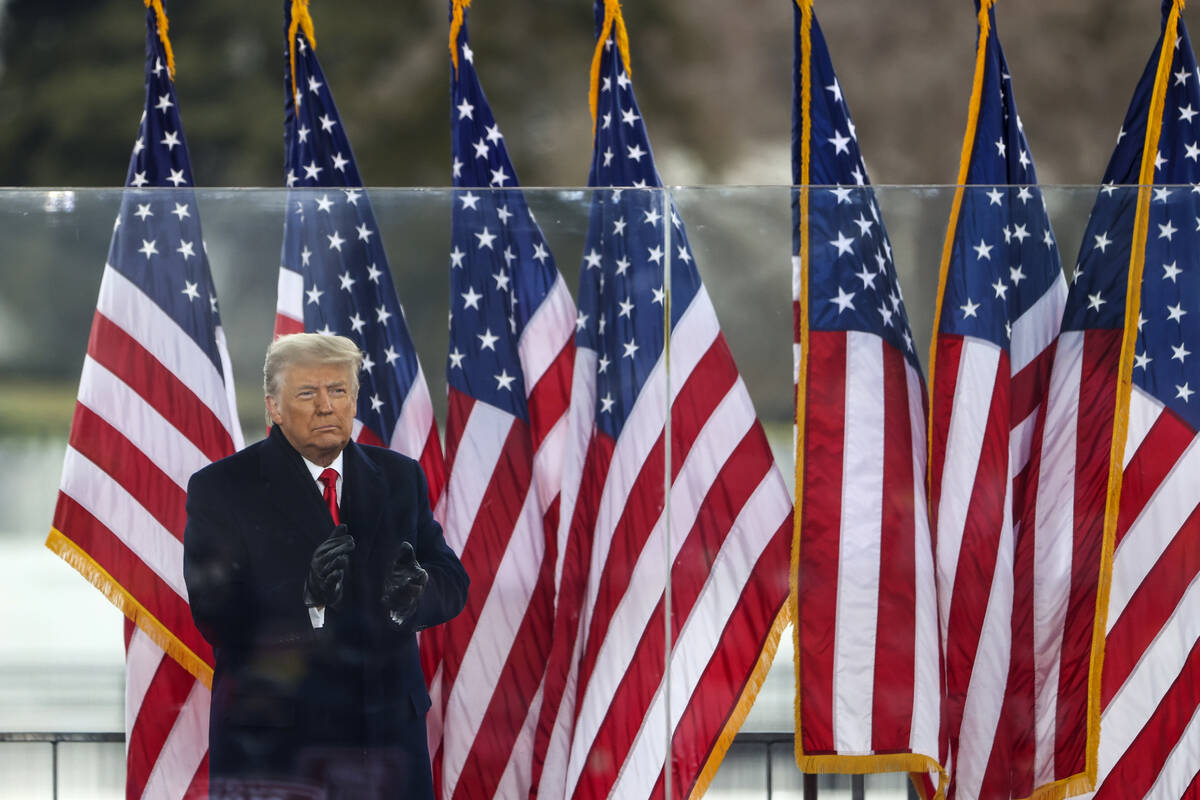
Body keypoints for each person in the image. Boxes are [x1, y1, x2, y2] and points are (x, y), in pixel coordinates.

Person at [184, 333, 468, 799]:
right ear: (274, 407)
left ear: (354, 400)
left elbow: (452, 580)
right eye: (306, 393)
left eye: (338, 391)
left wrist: (415, 595)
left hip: (387, 749)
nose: (325, 407)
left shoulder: (399, 477)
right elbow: (215, 615)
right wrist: (307, 598)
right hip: (278, 754)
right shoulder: (222, 489)